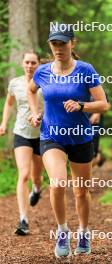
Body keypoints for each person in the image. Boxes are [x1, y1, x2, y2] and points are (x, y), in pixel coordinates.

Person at [28, 24, 109, 258]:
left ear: (73, 43)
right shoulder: (42, 71)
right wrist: (35, 113)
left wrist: (82, 105)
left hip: (81, 137)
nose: (58, 48)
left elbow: (103, 104)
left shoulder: (86, 70)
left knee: (81, 192)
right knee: (57, 183)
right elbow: (31, 90)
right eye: (54, 43)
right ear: (50, 45)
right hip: (52, 136)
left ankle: (84, 232)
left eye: (63, 43)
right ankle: (63, 231)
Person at [0, 51, 43, 235]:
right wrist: (3, 123)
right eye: (27, 62)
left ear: (39, 64)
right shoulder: (15, 83)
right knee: (23, 174)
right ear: (22, 63)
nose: (30, 65)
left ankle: (37, 189)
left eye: (33, 62)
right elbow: (9, 103)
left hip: (42, 134)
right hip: (21, 133)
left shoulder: (44, 82)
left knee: (36, 177)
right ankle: (23, 219)